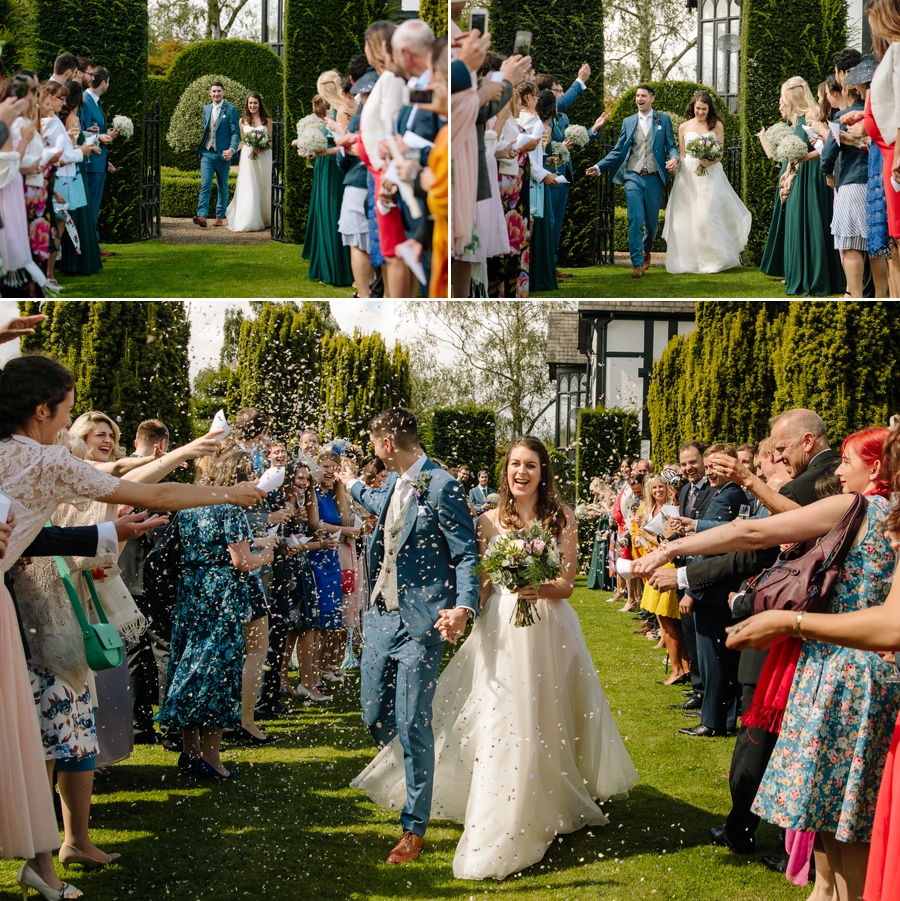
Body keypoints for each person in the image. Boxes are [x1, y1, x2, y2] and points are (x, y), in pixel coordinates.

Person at [0, 353, 263, 901]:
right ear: (44, 411)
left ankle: (47, 857)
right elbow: (154, 494)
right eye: (66, 413)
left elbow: (124, 479)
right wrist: (229, 493)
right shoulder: (43, 460)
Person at [352, 435, 638, 879]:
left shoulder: (560, 517)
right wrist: (463, 610)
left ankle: (553, 790)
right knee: (502, 713)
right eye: (514, 465)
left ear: (543, 473)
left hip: (550, 628)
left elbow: (565, 584)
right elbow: (481, 581)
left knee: (549, 712)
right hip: (501, 628)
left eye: (530, 466)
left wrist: (535, 586)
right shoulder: (487, 520)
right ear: (505, 471)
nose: (521, 473)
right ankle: (502, 802)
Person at [635, 429, 899, 901]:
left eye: (846, 461)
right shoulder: (869, 514)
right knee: (833, 830)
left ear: (876, 468)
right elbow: (754, 530)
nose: (837, 472)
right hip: (847, 674)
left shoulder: (859, 508)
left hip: (841, 677)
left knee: (844, 833)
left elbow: (753, 530)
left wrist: (674, 550)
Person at [346, 408, 480, 865]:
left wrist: (463, 607)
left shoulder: (442, 486)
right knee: (371, 713)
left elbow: (466, 555)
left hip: (422, 625)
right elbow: (375, 504)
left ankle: (413, 826)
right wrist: (351, 485)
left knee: (412, 723)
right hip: (381, 619)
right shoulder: (395, 485)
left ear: (386, 444)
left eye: (372, 443)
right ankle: (405, 766)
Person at [157, 450, 275, 778]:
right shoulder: (231, 508)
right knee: (219, 670)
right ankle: (212, 758)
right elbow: (242, 561)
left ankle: (189, 752)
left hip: (192, 591)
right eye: (250, 473)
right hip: (222, 594)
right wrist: (265, 555)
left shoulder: (191, 504)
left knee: (190, 663)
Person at [585, 84, 680, 279]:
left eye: (643, 96)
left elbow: (671, 146)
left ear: (652, 98)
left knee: (652, 225)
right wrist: (599, 166)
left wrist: (674, 158)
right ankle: (637, 263)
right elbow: (619, 150)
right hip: (633, 176)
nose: (639, 99)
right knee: (635, 219)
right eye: (637, 96)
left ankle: (646, 250)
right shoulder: (628, 122)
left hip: (654, 178)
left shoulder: (664, 120)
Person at [663, 91, 751, 274]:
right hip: (688, 176)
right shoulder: (683, 127)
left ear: (709, 109)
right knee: (686, 218)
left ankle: (715, 260)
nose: (700, 112)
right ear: (692, 107)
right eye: (697, 108)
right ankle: (689, 261)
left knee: (707, 215)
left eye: (704, 109)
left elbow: (719, 152)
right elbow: (682, 154)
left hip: (710, 175)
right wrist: (676, 162)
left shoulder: (716, 125)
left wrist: (709, 161)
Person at [303, 71, 354, 287]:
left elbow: (346, 145)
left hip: (335, 169)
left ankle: (338, 271)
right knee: (323, 216)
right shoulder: (332, 110)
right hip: (323, 168)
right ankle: (325, 267)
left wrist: (321, 152)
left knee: (333, 216)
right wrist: (306, 145)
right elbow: (327, 139)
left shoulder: (342, 111)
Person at [56, 81, 103, 277]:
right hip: (75, 171)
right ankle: (77, 261)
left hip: (73, 170)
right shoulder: (74, 120)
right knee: (77, 214)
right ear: (79, 98)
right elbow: (73, 148)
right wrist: (87, 149)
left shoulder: (66, 118)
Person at [192, 82, 240, 229]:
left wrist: (231, 149)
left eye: (219, 91)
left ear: (223, 92)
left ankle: (219, 216)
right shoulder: (206, 109)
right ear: (210, 93)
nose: (216, 94)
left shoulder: (230, 109)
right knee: (205, 185)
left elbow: (235, 132)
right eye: (214, 91)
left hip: (223, 155)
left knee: (222, 186)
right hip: (207, 152)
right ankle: (202, 216)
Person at [79, 68, 118, 245]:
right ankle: (89, 248)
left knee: (93, 207)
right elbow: (77, 132)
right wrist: (98, 138)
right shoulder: (84, 101)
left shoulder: (95, 102)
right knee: (89, 207)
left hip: (98, 161)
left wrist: (105, 135)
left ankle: (92, 246)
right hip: (89, 164)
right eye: (109, 82)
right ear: (104, 82)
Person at [226, 91, 272, 233]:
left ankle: (267, 218)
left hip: (263, 156)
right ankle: (249, 219)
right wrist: (231, 151)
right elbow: (243, 141)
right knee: (249, 186)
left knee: (264, 185)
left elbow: (271, 141)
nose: (252, 105)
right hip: (247, 157)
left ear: (259, 104)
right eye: (250, 103)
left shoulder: (267, 120)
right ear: (247, 104)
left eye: (255, 103)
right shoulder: (243, 120)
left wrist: (261, 148)